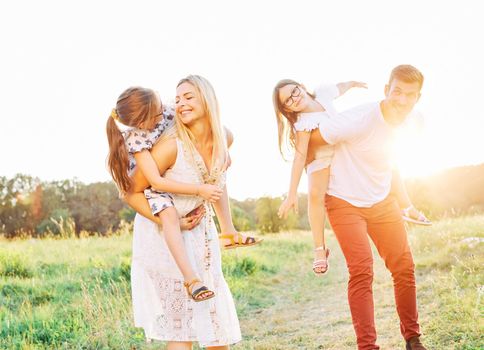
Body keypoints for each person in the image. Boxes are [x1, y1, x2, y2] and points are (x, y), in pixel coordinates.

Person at [287, 64, 427, 350]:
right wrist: (310, 180)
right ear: (386, 90)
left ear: (418, 98)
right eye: (397, 92)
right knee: (362, 270)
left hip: (381, 200)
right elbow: (308, 142)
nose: (402, 100)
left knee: (404, 267)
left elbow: (391, 162)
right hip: (343, 200)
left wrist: (407, 204)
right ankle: (367, 347)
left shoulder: (415, 122)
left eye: (409, 95)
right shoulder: (357, 119)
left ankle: (413, 339)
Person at [107, 87, 261, 301]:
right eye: (159, 112)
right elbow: (155, 181)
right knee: (170, 217)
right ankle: (191, 279)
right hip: (156, 187)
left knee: (215, 173)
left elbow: (217, 131)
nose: (168, 110)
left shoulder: (166, 110)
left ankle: (228, 231)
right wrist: (199, 190)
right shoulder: (137, 140)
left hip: (174, 178)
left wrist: (222, 152)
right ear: (143, 123)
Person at [124, 75, 241, 349]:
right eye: (177, 99)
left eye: (188, 96)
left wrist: (228, 228)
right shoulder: (170, 146)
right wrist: (171, 220)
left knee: (215, 323)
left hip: (202, 236)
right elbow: (131, 192)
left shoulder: (225, 138)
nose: (181, 103)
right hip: (163, 235)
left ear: (208, 99)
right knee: (183, 331)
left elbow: (216, 181)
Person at [274, 78, 430, 277]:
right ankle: (320, 250)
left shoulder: (322, 93)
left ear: (302, 87)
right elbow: (299, 157)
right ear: (286, 109)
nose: (294, 98)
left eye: (294, 91)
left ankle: (407, 206)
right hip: (322, 158)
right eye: (287, 100)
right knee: (315, 195)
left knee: (387, 158)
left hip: (344, 147)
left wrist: (353, 84)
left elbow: (339, 87)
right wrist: (292, 193)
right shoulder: (302, 124)